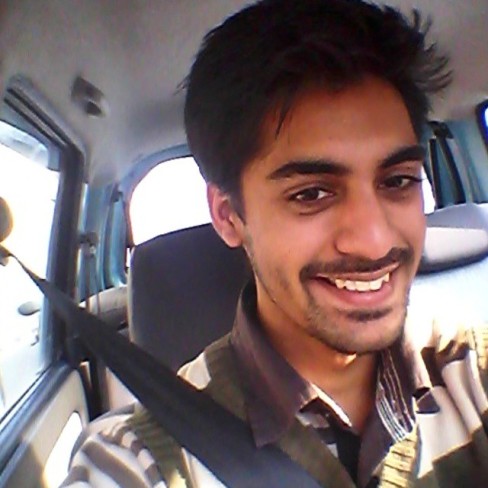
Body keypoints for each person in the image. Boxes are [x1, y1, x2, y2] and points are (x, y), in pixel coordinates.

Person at [62, 0, 488, 487]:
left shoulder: (474, 373)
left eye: (397, 181)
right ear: (229, 216)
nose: (373, 241)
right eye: (311, 194)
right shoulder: (138, 456)